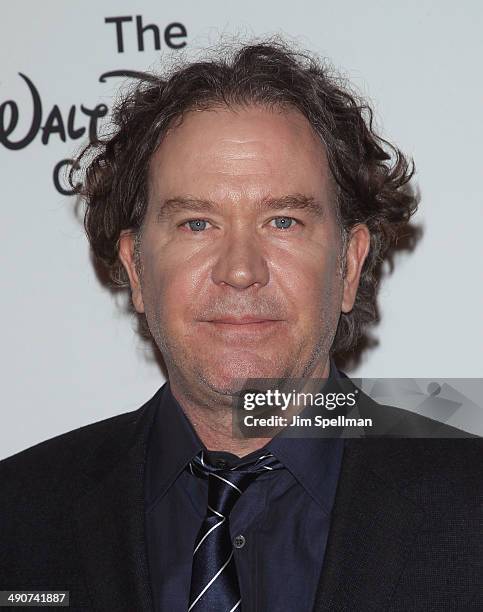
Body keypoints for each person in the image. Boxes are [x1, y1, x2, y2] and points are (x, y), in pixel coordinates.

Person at [0, 40, 481, 612]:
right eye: (197, 223)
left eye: (283, 220)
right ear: (136, 269)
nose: (240, 270)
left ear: (349, 265)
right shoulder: (16, 515)